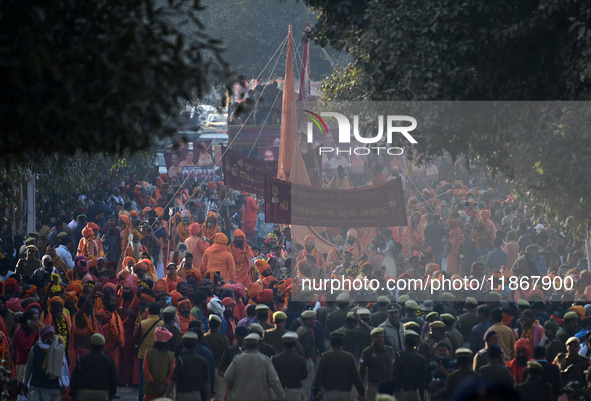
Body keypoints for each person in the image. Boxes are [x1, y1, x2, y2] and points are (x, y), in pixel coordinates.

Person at [224, 333, 285, 401]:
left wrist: (234, 389)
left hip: (240, 397)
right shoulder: (265, 360)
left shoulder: (237, 360)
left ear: (245, 346)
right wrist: (281, 396)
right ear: (258, 346)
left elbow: (227, 377)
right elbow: (274, 380)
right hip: (261, 397)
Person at [312, 330, 365, 401]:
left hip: (329, 394)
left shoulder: (325, 356)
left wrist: (315, 393)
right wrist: (362, 394)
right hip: (346, 394)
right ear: (343, 344)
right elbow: (356, 378)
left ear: (330, 343)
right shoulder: (350, 357)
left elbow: (319, 377)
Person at [24, 326, 69, 401]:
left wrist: (64, 384)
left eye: (51, 334)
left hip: (54, 388)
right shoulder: (35, 349)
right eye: (46, 335)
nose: (49, 337)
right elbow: (29, 367)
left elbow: (64, 368)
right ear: (42, 336)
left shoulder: (59, 349)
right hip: (37, 386)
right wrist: (25, 384)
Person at [70, 333, 118, 401]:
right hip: (102, 393)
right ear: (103, 346)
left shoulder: (81, 359)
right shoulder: (109, 360)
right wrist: (112, 394)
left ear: (91, 345)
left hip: (84, 392)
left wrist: (73, 394)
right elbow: (113, 379)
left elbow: (75, 377)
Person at [166, 331, 211, 401]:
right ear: (195, 346)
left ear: (183, 345)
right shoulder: (202, 360)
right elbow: (207, 382)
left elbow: (173, 380)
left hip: (182, 396)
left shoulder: (180, 361)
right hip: (196, 395)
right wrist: (208, 397)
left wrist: (166, 395)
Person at [133, 302, 164, 401]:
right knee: (157, 380)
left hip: (143, 355)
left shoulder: (142, 323)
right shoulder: (162, 324)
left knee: (143, 381)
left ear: (149, 311)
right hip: (157, 356)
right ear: (159, 312)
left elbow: (135, 340)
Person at [360, 327, 395, 401]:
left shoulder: (390, 350)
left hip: (388, 387)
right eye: (377, 337)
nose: (380, 340)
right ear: (372, 338)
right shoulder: (367, 352)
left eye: (382, 337)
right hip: (374, 387)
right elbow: (361, 372)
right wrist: (361, 391)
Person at [271, 331, 308, 401]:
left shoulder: (275, 359)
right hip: (294, 393)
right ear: (295, 345)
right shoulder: (301, 359)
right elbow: (304, 376)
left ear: (283, 345)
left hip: (279, 391)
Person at [391, 330, 427, 401]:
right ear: (416, 344)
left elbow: (394, 374)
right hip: (414, 393)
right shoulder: (421, 358)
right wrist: (422, 397)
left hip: (400, 392)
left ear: (405, 342)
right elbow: (422, 380)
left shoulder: (399, 355)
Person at [142, 327, 175, 401]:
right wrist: (163, 385)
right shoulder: (171, 355)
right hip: (165, 391)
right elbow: (172, 372)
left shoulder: (148, 353)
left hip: (150, 391)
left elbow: (145, 369)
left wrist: (153, 384)